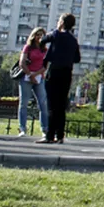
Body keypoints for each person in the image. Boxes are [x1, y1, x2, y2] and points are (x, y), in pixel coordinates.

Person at [37, 13, 81, 144]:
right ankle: (60, 135)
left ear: (62, 22)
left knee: (52, 105)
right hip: (67, 73)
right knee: (61, 105)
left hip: (54, 72)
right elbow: (77, 58)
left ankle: (49, 135)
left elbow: (43, 40)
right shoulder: (73, 39)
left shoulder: (56, 35)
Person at [17, 27, 49, 137]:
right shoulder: (28, 47)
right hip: (26, 77)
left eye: (42, 35)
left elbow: (46, 65)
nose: (39, 37)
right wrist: (30, 75)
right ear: (33, 35)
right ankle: (22, 129)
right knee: (24, 103)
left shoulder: (44, 50)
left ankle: (45, 129)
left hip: (39, 78)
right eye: (37, 34)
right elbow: (22, 63)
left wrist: (35, 75)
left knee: (43, 103)